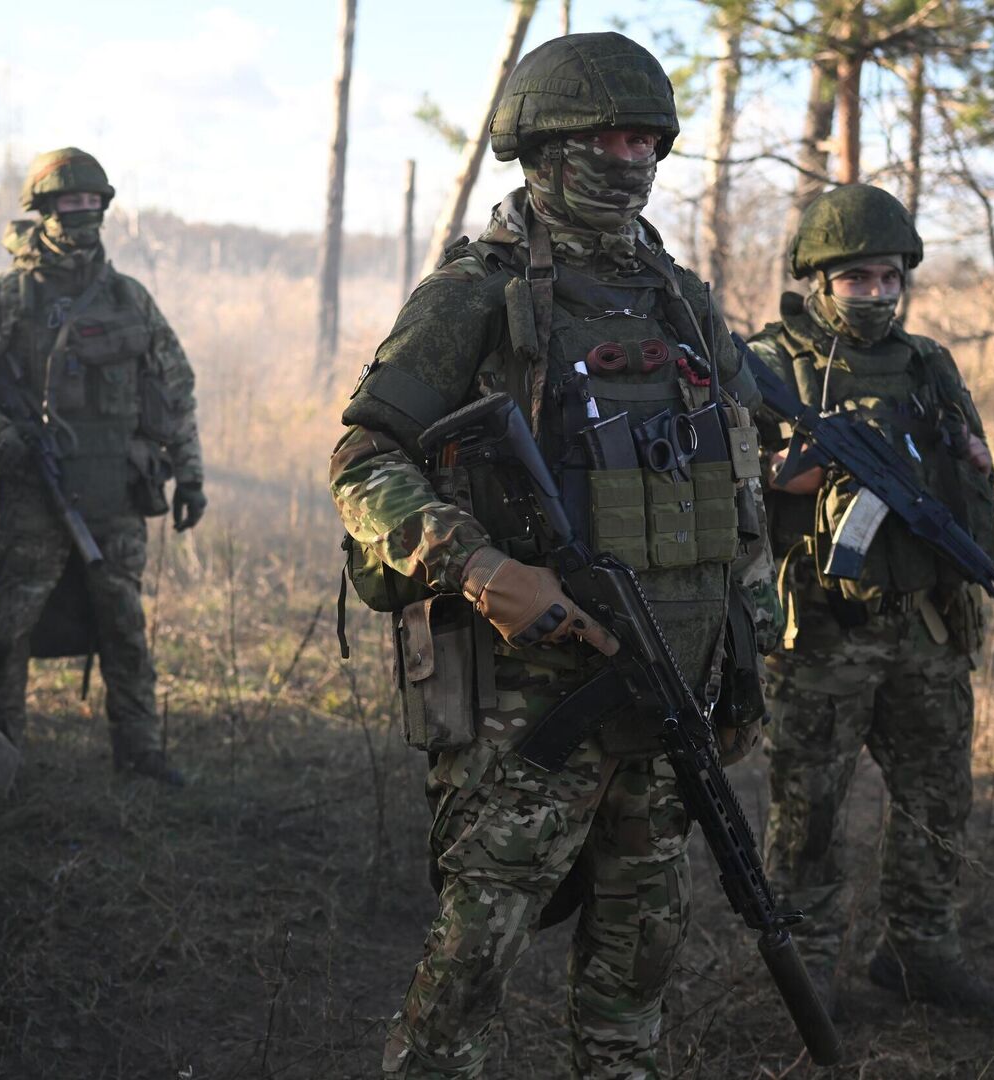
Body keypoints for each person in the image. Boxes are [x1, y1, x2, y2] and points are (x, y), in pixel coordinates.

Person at [330, 33, 773, 1078]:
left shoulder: (682, 301)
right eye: (607, 139)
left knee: (639, 955)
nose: (631, 159)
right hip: (528, 704)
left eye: (646, 140)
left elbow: (738, 486)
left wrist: (745, 652)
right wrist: (480, 569)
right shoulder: (474, 295)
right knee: (474, 956)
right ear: (543, 146)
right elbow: (364, 460)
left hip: (668, 684)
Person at [746, 183, 994, 1017]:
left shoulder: (928, 364)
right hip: (822, 635)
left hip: (925, 626)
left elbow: (963, 469)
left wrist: (972, 463)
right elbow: (710, 483)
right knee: (810, 814)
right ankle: (809, 972)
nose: (877, 294)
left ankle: (919, 950)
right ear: (819, 281)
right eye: (857, 278)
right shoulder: (768, 365)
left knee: (939, 798)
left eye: (891, 277)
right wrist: (778, 476)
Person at [0, 147, 203, 787]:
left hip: (116, 496)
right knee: (10, 629)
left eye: (91, 202)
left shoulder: (129, 299)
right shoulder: (11, 295)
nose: (81, 213)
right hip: (32, 495)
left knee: (125, 627)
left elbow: (176, 391)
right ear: (44, 210)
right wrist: (2, 436)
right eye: (69, 203)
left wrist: (190, 476)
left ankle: (140, 753)